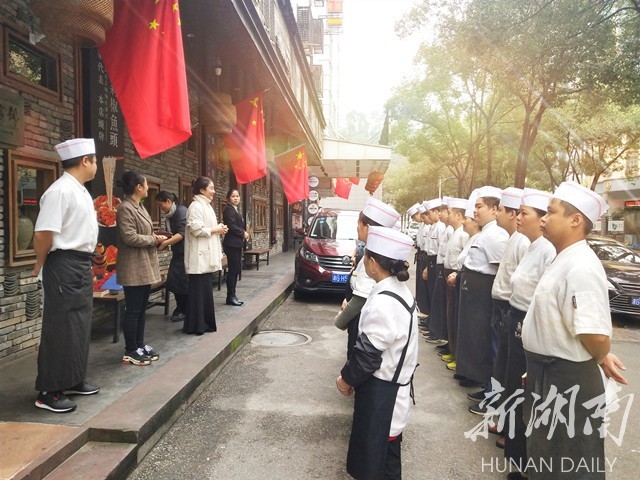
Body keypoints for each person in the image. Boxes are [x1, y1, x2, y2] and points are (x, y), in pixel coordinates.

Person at [521, 181, 628, 479]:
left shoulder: (580, 265)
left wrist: (601, 355)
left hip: (567, 381)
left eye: (551, 212)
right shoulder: (563, 258)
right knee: (548, 459)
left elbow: (594, 334)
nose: (543, 218)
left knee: (568, 463)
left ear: (575, 220)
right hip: (550, 373)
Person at [336, 226, 418, 480]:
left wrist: (346, 379)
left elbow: (367, 356)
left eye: (365, 256)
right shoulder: (396, 290)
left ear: (372, 263)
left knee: (372, 462)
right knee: (388, 456)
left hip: (382, 394)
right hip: (392, 389)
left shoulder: (384, 301)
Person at [32, 138, 100, 413]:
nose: (96, 165)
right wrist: (40, 263)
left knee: (79, 324)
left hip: (80, 263)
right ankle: (49, 390)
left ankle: (72, 379)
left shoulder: (80, 190)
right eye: (94, 160)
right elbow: (42, 233)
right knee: (60, 325)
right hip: (63, 263)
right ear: (85, 161)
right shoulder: (60, 191)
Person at [501, 188, 556, 479]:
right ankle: (518, 457)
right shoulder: (531, 245)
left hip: (529, 326)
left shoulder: (548, 250)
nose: (518, 217)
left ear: (542, 218)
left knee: (527, 397)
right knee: (514, 391)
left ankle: (527, 464)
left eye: (524, 213)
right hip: (516, 320)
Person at [469, 187, 529, 418]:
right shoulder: (514, 238)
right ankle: (489, 393)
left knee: (500, 358)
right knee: (495, 355)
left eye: (501, 210)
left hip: (510, 309)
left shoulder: (521, 242)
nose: (498, 215)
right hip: (502, 307)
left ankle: (494, 400)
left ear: (512, 214)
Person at [334, 198, 401, 360]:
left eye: (359, 223)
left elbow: (360, 298)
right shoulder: (376, 252)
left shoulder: (372, 261)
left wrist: (340, 320)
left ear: (368, 228)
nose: (357, 228)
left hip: (362, 320)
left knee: (356, 361)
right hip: (364, 317)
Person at [456, 186, 508, 388]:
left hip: (484, 292)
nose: (475, 211)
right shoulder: (485, 233)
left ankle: (490, 390)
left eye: (479, 207)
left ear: (494, 209)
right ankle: (477, 378)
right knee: (473, 338)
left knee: (485, 341)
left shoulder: (496, 235)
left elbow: (498, 268)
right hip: (474, 290)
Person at [116, 171, 167, 366]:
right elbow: (129, 237)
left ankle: (140, 344)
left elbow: (145, 233)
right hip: (133, 265)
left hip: (144, 262)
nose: (148, 188)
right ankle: (130, 349)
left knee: (141, 308)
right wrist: (153, 239)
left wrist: (155, 237)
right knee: (134, 310)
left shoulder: (139, 206)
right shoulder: (125, 208)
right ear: (139, 187)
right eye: (146, 185)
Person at [184, 176, 228, 335]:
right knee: (198, 293)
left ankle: (203, 324)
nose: (214, 191)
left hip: (204, 255)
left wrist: (218, 228)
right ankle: (197, 326)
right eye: (211, 188)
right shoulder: (195, 206)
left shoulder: (205, 205)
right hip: (198, 256)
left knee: (204, 293)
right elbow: (196, 229)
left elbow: (207, 227)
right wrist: (216, 229)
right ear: (202, 190)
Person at [156, 191, 189, 322]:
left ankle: (183, 309)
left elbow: (182, 233)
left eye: (161, 205)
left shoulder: (181, 211)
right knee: (174, 281)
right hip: (178, 252)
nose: (161, 209)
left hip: (185, 253)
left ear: (168, 201)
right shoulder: (171, 215)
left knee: (181, 282)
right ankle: (181, 308)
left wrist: (164, 243)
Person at [222, 189, 249, 306]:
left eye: (237, 196)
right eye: (233, 196)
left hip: (236, 244)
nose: (236, 198)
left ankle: (233, 295)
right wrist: (243, 233)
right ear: (228, 198)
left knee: (236, 270)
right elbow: (231, 226)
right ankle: (230, 296)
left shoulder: (235, 209)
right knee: (233, 271)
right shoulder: (228, 210)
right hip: (231, 244)